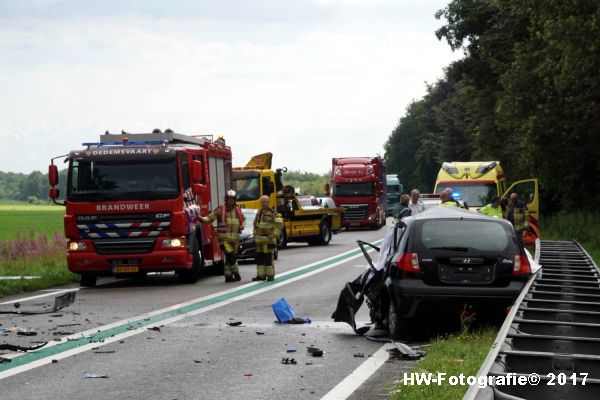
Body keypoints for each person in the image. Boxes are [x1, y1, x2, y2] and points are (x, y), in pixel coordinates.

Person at [199, 190, 244, 282]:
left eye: (232, 199)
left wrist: (243, 225)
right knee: (231, 257)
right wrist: (201, 219)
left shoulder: (238, 210)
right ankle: (237, 274)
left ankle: (228, 277)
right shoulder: (221, 209)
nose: (230, 200)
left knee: (230, 258)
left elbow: (243, 220)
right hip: (224, 240)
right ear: (226, 199)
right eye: (229, 199)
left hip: (235, 239)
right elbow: (210, 218)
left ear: (235, 200)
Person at [253, 195, 283, 281]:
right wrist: (254, 236)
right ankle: (261, 275)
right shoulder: (259, 213)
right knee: (260, 259)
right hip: (259, 241)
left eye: (265, 202)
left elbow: (280, 225)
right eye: (262, 202)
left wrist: (274, 235)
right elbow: (255, 226)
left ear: (268, 202)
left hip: (268, 241)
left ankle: (270, 276)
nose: (263, 203)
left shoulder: (273, 213)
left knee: (268, 259)